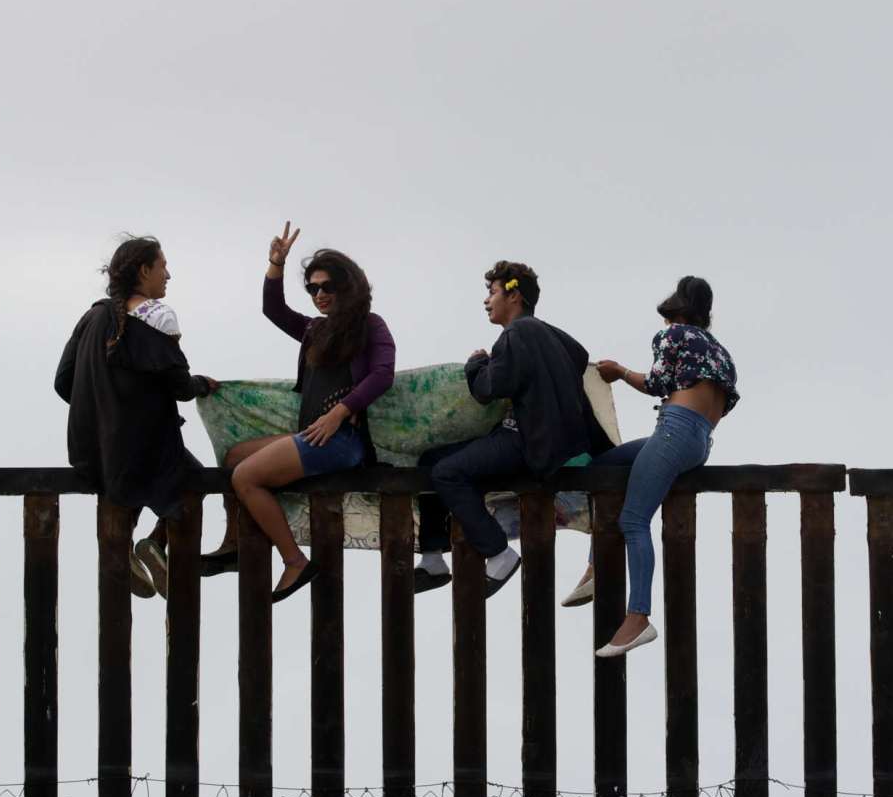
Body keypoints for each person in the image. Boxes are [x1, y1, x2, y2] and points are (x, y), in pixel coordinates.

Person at [204, 221, 395, 602]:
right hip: (312, 436)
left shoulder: (370, 325)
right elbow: (272, 309)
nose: (318, 294)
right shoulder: (314, 330)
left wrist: (340, 412)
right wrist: (276, 263)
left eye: (326, 286)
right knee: (234, 457)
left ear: (347, 284)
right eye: (312, 288)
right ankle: (234, 543)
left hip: (341, 440)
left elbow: (382, 375)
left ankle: (293, 560)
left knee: (245, 478)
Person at [413, 261, 610, 598]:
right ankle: (433, 559)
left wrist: (477, 363)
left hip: (526, 440)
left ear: (513, 294)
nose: (486, 301)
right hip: (551, 441)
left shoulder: (516, 334)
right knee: (430, 460)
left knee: (447, 473)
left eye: (491, 292)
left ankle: (499, 554)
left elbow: (490, 388)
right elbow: (580, 355)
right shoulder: (550, 334)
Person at [568, 276, 739, 657]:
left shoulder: (673, 335)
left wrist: (619, 372)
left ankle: (638, 617)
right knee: (603, 466)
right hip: (699, 441)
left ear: (675, 310)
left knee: (634, 520)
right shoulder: (721, 353)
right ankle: (596, 566)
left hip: (674, 429)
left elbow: (658, 382)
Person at [55, 236, 218, 599]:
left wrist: (105, 413)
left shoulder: (92, 317)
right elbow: (178, 386)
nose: (168, 275)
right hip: (144, 445)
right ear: (144, 270)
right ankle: (155, 545)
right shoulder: (157, 315)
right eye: (163, 266)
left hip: (92, 448)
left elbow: (63, 382)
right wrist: (203, 385)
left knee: (128, 485)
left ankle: (125, 550)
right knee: (194, 484)